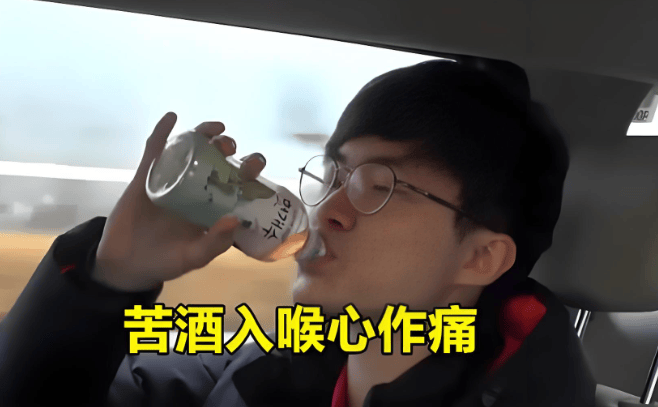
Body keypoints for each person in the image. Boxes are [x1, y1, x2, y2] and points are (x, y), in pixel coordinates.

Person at [0, 58, 596, 407]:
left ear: (481, 257)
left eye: (379, 185)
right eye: (333, 176)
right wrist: (110, 278)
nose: (329, 208)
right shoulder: (263, 360)